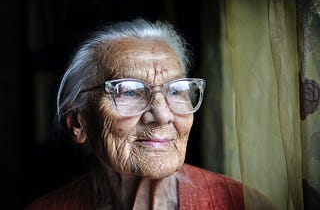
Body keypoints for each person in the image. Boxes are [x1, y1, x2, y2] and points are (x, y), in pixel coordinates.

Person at [25, 17, 244, 209]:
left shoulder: (241, 203)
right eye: (129, 92)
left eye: (176, 90)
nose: (162, 115)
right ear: (78, 123)